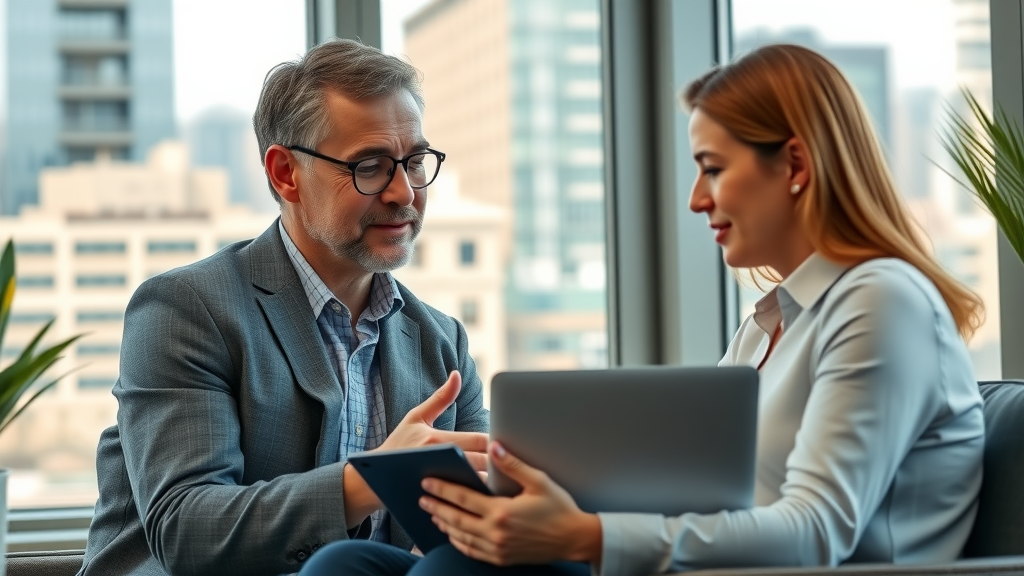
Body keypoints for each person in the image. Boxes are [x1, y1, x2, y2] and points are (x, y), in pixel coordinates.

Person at [302, 43, 987, 576]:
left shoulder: (881, 302)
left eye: (713, 168)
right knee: (345, 563)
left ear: (795, 165)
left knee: (459, 568)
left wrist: (584, 535)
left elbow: (817, 532)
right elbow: (702, 496)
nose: (696, 198)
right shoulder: (770, 323)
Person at [76, 38, 490, 576]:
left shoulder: (441, 340)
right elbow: (186, 529)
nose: (404, 193)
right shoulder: (186, 310)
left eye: (414, 162)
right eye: (370, 166)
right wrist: (373, 478)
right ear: (285, 173)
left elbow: (476, 515)